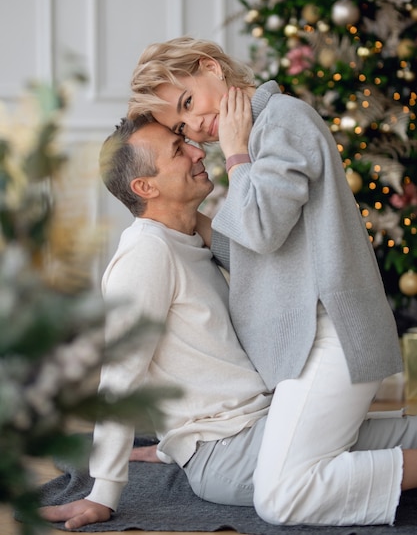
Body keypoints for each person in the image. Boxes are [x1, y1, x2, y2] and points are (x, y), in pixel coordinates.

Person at [41, 115, 417, 530]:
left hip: (265, 423)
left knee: (408, 435)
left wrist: (169, 443)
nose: (199, 151)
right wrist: (104, 491)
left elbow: (204, 356)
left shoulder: (190, 238)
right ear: (145, 187)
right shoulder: (145, 253)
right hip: (231, 452)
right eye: (178, 151)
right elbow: (119, 375)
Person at [125, 36, 414, 526]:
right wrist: (189, 222)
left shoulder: (282, 120)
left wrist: (237, 155)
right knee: (320, 454)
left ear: (211, 67)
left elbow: (260, 227)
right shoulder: (261, 132)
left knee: (280, 497)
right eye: (180, 124)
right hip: (307, 340)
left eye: (188, 102)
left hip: (332, 334)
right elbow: (256, 255)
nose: (195, 126)